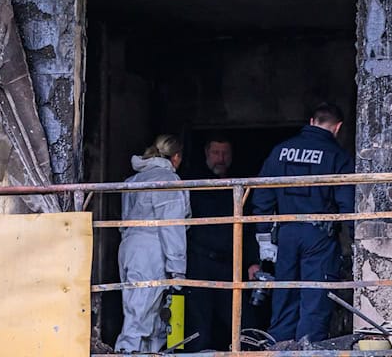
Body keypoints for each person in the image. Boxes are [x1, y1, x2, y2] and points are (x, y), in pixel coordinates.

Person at [251, 103, 355, 343]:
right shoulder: (337, 156)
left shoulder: (280, 151)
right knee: (315, 298)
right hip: (318, 236)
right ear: (337, 128)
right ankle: (308, 348)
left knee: (285, 296)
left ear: (311, 121)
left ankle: (280, 346)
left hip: (286, 233)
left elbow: (263, 195)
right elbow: (347, 203)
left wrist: (264, 237)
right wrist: (355, 237)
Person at [184, 134, 260, 351]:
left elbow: (248, 228)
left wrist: (252, 261)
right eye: (216, 153)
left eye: (225, 153)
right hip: (198, 263)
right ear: (207, 153)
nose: (221, 158)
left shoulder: (238, 185)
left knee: (243, 321)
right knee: (198, 324)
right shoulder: (193, 182)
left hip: (230, 263)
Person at [115, 134, 190, 354]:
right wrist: (178, 270)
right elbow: (172, 227)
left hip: (129, 247)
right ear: (176, 157)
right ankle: (127, 352)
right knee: (142, 316)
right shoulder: (168, 180)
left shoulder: (133, 180)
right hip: (153, 249)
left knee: (139, 310)